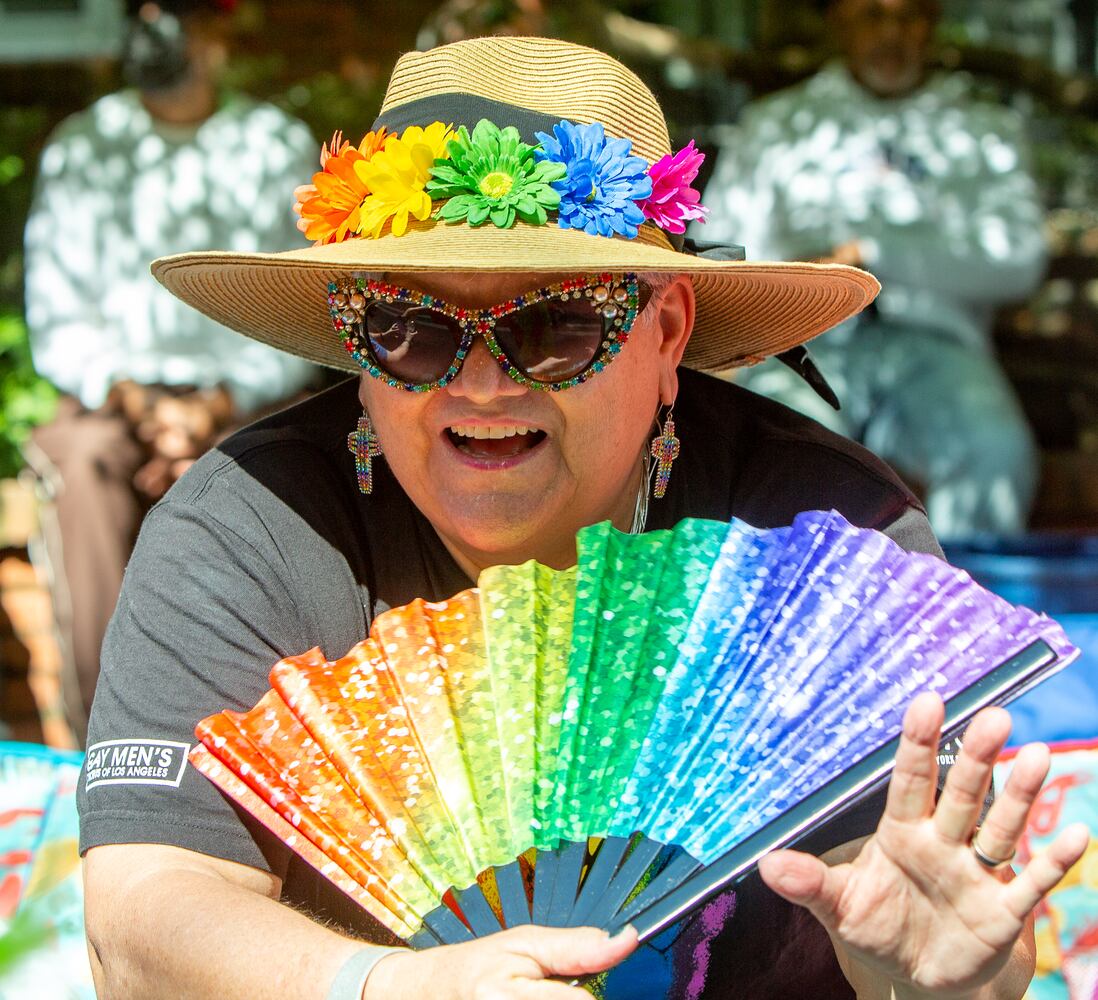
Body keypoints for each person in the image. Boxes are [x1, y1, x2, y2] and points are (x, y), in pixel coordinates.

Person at [76, 35, 1088, 1000]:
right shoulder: (248, 530)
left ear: (668, 330)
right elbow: (143, 916)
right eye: (411, 329)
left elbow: (948, 947)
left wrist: (941, 978)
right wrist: (391, 985)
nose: (477, 384)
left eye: (555, 325)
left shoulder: (823, 537)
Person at [23, 0, 321, 743]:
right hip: (115, 403)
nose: (157, 28)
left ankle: (269, 738)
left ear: (217, 35)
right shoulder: (86, 145)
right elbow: (58, 313)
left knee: (273, 460)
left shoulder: (270, 142)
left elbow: (288, 296)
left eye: (178, 14)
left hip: (244, 393)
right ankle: (103, 737)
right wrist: (140, 405)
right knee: (80, 463)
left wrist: (217, 403)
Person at [698, 0, 1047, 542]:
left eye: (909, 17)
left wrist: (875, 254)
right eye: (872, 16)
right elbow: (723, 249)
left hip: (937, 345)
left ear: (932, 24)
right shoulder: (781, 123)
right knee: (775, 448)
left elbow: (1018, 261)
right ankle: (802, 614)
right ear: (838, 21)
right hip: (807, 340)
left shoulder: (982, 130)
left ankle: (953, 612)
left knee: (994, 449)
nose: (892, 33)